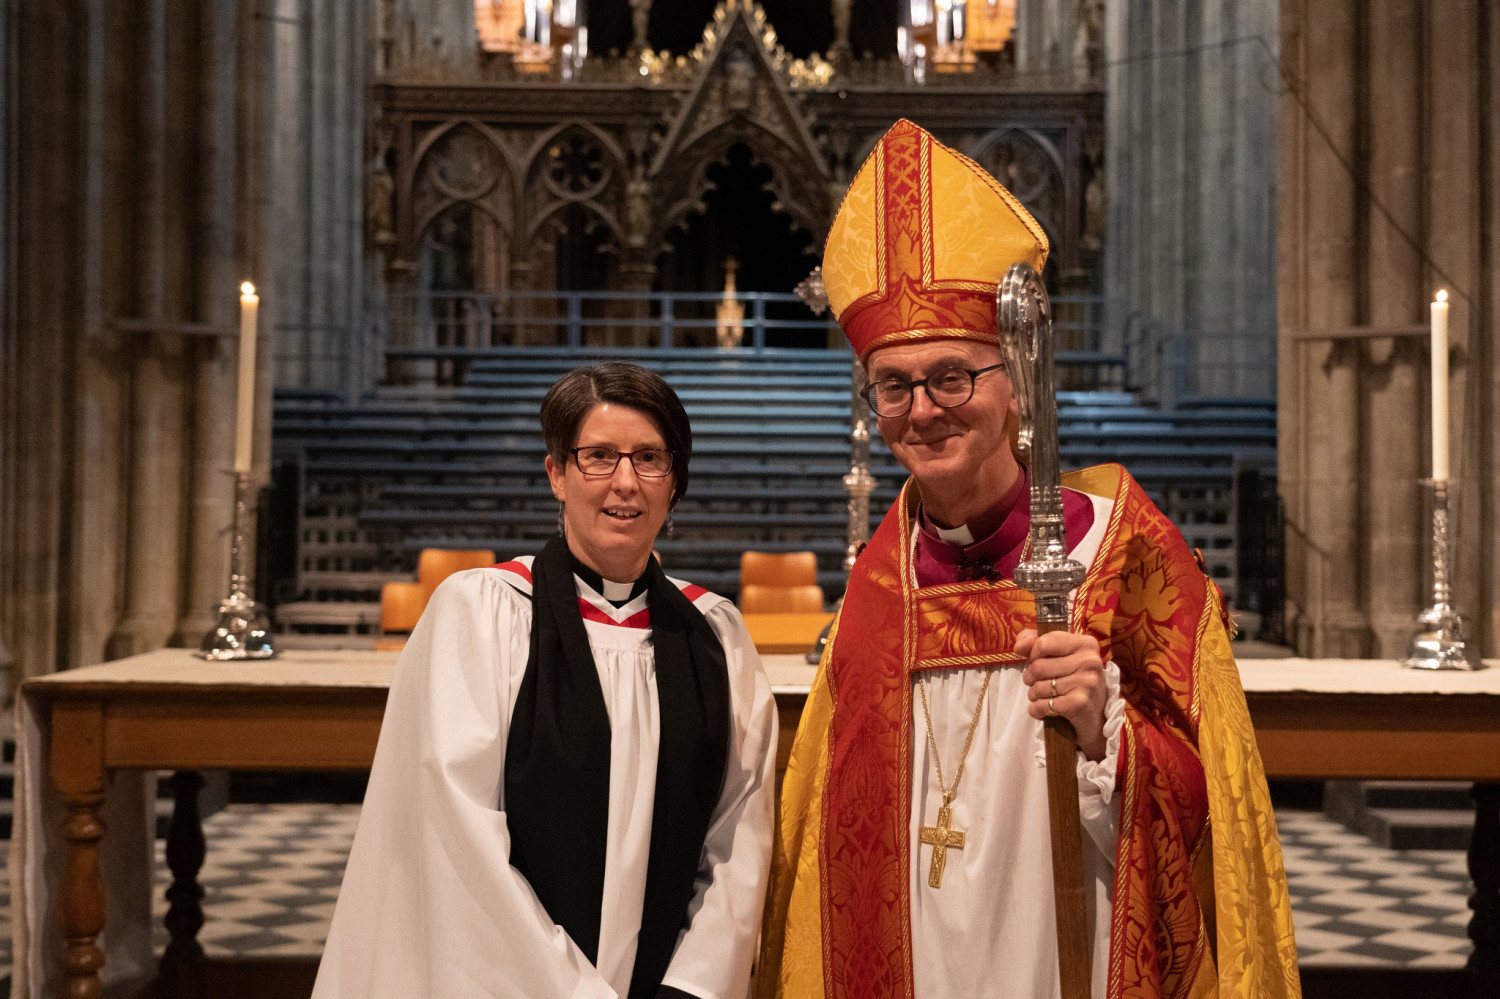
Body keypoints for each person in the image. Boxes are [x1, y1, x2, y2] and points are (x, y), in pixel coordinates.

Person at [758, 120, 1299, 998]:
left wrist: (1104, 734)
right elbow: (826, 845)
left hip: (1067, 952)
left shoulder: (1122, 551)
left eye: (951, 376)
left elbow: (1216, 828)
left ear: (1016, 376)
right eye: (893, 386)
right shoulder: (879, 581)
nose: (922, 410)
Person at [314, 362, 777, 999]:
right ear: (556, 474)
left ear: (675, 483)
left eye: (650, 459)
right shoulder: (481, 615)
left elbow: (737, 841)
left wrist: (693, 987)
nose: (625, 482)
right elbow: (458, 842)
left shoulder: (715, 638)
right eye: (599, 457)